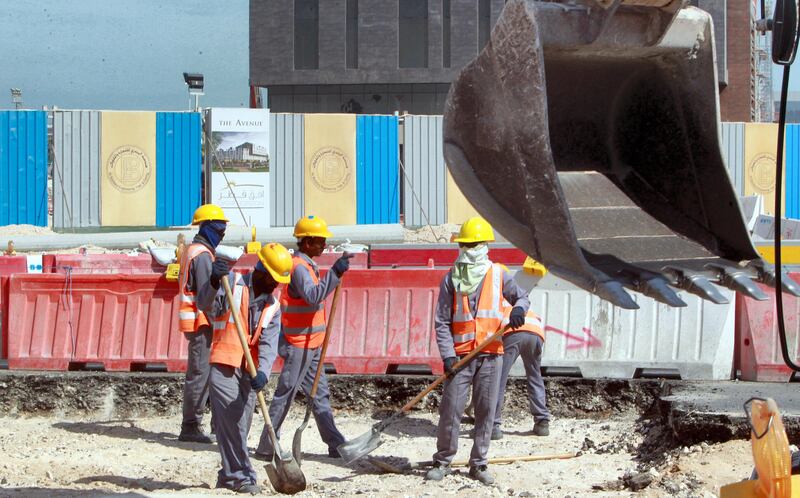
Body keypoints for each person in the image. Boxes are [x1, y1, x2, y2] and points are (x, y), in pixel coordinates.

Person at [426, 217, 530, 486]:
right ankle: (443, 460)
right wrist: (448, 355)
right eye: (465, 244)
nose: (469, 249)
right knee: (451, 410)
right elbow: (441, 321)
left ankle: (479, 464)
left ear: (484, 246)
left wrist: (518, 310)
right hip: (460, 357)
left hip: (491, 353)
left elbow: (522, 297)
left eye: (473, 244)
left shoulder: (498, 273)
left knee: (485, 410)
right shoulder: (451, 278)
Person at [255, 215, 354, 460]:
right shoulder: (298, 267)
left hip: (312, 343)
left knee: (319, 395)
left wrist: (333, 274)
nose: (323, 245)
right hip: (298, 344)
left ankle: (335, 443)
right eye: (319, 241)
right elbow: (312, 295)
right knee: (286, 393)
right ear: (307, 242)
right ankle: (267, 446)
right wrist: (335, 273)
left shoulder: (307, 264)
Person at [208, 243, 292, 495]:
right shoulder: (231, 283)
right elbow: (207, 306)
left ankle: (226, 475)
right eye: (273, 279)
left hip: (249, 369)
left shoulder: (273, 305)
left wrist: (264, 372)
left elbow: (268, 343)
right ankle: (242, 476)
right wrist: (212, 283)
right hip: (224, 361)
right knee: (231, 422)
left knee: (241, 425)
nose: (276, 285)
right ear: (261, 270)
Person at [177, 204, 230, 443]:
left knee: (206, 374)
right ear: (206, 227)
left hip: (200, 322)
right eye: (219, 229)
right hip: (202, 322)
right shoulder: (201, 255)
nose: (222, 233)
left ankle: (210, 423)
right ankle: (190, 426)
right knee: (200, 374)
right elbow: (206, 297)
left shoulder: (195, 250)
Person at [493, 300, 549, 440]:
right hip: (536, 333)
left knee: (499, 379)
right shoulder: (521, 304)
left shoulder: (498, 304)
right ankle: (542, 422)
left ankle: (492, 425)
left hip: (513, 332)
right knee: (535, 376)